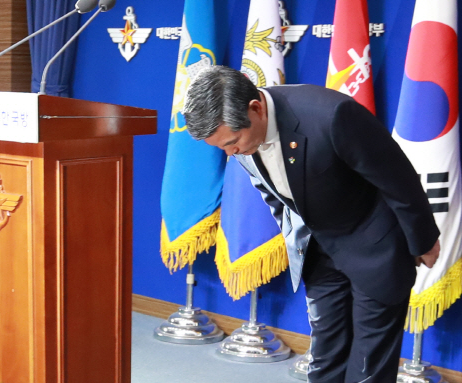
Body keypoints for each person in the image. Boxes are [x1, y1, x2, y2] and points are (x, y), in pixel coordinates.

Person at [183, 65, 440, 383]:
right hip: (319, 252)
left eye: (233, 141)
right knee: (324, 360)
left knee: (367, 368)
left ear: (255, 108)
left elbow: (398, 178)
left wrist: (423, 240)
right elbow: (275, 194)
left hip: (375, 247)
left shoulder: (331, 115)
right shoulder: (241, 139)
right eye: (221, 147)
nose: (230, 152)